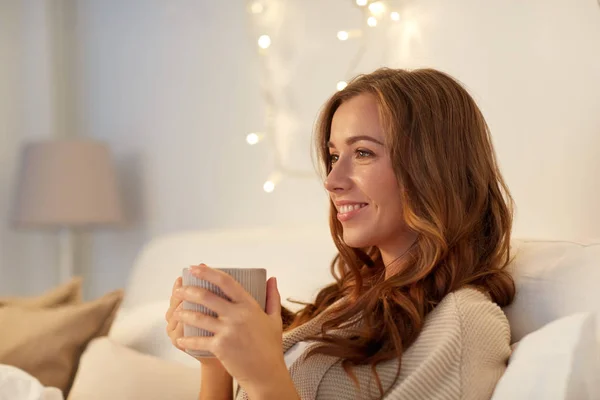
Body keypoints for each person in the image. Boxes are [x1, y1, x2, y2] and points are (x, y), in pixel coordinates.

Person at [165, 68, 515, 400]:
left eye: (363, 153)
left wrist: (264, 378)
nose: (332, 180)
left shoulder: (464, 324)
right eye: (334, 155)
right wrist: (217, 365)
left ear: (435, 169)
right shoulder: (345, 303)